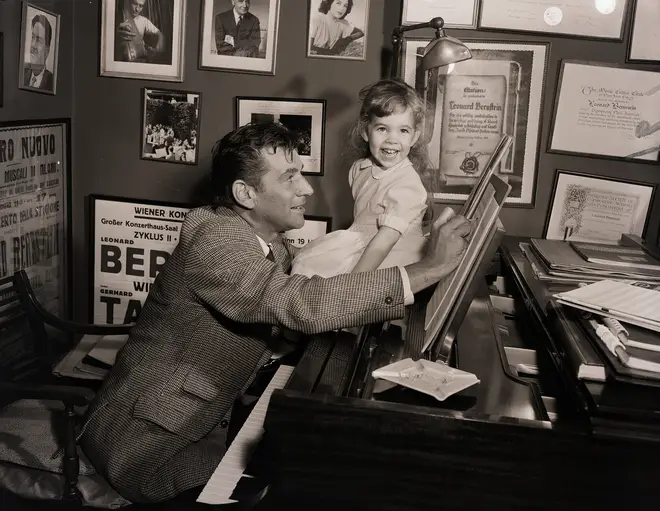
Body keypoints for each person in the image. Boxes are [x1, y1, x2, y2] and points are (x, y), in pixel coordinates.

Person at [79, 121, 470, 504]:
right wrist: (428, 268)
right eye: (290, 178)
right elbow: (297, 304)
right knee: (295, 484)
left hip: (205, 417)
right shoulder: (215, 239)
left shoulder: (269, 241)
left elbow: (303, 293)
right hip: (150, 443)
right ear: (245, 194)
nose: (307, 188)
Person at [292, 79, 431, 279]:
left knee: (312, 273)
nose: (392, 139)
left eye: (403, 130)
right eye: (382, 129)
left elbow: (385, 241)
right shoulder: (360, 169)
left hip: (391, 262)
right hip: (361, 247)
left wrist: (354, 282)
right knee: (304, 267)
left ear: (414, 137)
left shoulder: (408, 186)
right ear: (366, 132)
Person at [24, 14, 54, 90]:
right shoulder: (22, 75)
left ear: (46, 52)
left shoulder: (52, 83)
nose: (33, 45)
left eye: (38, 40)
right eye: (32, 37)